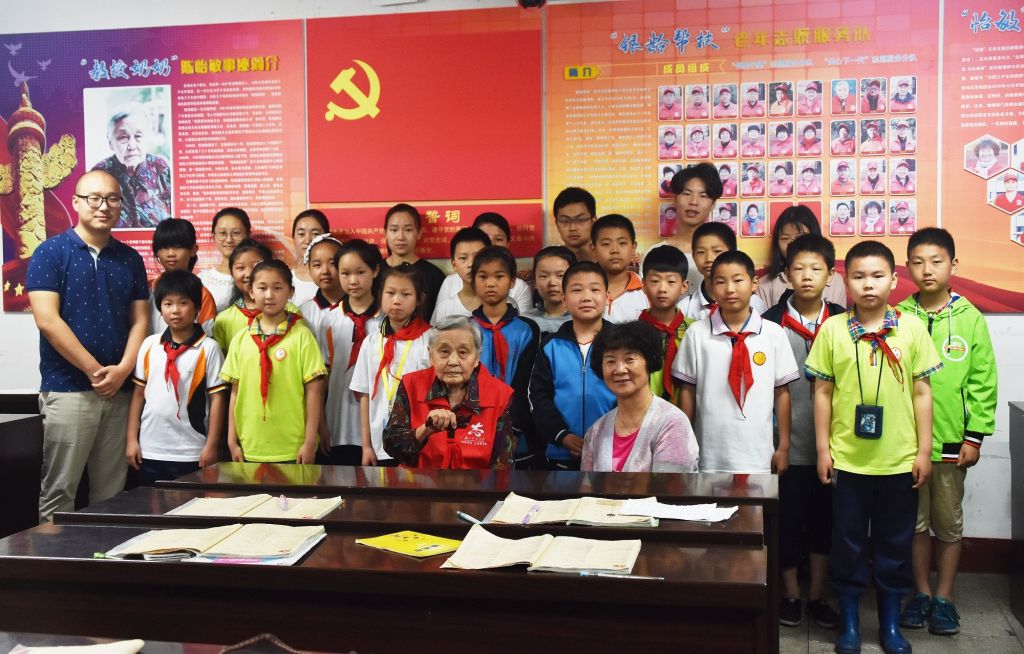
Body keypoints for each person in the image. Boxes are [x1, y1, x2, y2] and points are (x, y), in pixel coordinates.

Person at [805, 240, 941, 654]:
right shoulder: (833, 330)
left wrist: (922, 452)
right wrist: (823, 450)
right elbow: (822, 393)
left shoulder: (911, 328)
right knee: (847, 544)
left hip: (899, 462)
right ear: (845, 282)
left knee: (894, 545)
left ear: (894, 280)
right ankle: (849, 624)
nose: (868, 284)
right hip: (848, 462)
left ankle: (890, 625)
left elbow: (923, 392)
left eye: (878, 276)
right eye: (859, 276)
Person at [27, 170, 150, 521]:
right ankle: (53, 557)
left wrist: (122, 370)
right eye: (94, 198)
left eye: (112, 199)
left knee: (111, 494)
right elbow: (47, 320)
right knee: (60, 490)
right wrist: (95, 372)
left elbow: (140, 320)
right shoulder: (50, 253)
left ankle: (102, 556)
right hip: (68, 390)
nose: (103, 206)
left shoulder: (130, 259)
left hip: (119, 392)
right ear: (76, 202)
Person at [896, 228, 997, 636]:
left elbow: (983, 381)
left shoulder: (970, 318)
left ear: (953, 265)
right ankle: (921, 593)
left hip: (953, 443)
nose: (927, 270)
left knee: (948, 524)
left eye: (936, 261)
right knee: (915, 524)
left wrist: (975, 436)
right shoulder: (899, 315)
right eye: (918, 262)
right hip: (907, 445)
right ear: (907, 267)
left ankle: (944, 598)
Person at [761, 234, 846, 629]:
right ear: (786, 274)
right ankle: (791, 593)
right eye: (799, 268)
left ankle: (818, 595)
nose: (807, 276)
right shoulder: (769, 323)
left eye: (816, 269)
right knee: (789, 520)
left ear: (830, 276)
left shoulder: (845, 322)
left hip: (836, 446)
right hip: (786, 444)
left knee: (825, 520)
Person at [673, 250, 799, 474]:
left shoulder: (773, 334)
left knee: (757, 499)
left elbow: (782, 393)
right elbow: (687, 391)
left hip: (759, 454)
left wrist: (784, 447)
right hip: (709, 454)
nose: (730, 289)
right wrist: (683, 445)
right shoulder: (697, 333)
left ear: (754, 283)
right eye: (721, 282)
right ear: (712, 286)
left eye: (738, 280)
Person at [126, 270, 227, 485]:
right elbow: (138, 395)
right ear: (159, 308)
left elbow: (217, 400)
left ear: (197, 307)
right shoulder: (149, 345)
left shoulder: (208, 348)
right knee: (150, 503)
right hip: (150, 449)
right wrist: (131, 440)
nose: (175, 310)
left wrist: (211, 445)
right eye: (168, 304)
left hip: (191, 451)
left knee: (190, 503)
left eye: (183, 303)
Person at [220, 260, 326, 464]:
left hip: (293, 447)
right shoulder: (241, 339)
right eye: (262, 288)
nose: (269, 295)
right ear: (251, 292)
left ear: (290, 292)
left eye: (277, 288)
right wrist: (232, 441)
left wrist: (309, 441)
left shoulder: (302, 336)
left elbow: (314, 392)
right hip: (250, 446)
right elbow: (234, 393)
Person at [383, 316, 516, 469]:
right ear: (431, 355)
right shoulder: (411, 385)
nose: (453, 361)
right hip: (420, 482)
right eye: (444, 352)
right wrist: (424, 431)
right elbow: (391, 446)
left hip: (477, 483)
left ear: (477, 357)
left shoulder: (499, 394)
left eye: (463, 352)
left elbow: (503, 467)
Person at [529, 262, 617, 470]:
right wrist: (561, 435)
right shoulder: (551, 345)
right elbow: (538, 396)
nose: (586, 297)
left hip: (612, 453)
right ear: (564, 299)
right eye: (577, 290)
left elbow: (632, 396)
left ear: (607, 297)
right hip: (560, 454)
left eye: (594, 290)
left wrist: (610, 436)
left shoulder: (621, 344)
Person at [581, 321, 699, 473]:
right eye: (610, 361)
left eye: (629, 359)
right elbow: (587, 486)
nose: (620, 369)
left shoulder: (672, 423)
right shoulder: (596, 431)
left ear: (648, 362)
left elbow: (670, 486)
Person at [303, 237, 378, 466]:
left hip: (377, 423)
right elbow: (321, 379)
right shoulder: (330, 321)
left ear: (375, 271)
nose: (353, 281)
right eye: (345, 273)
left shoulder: (386, 319)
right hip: (338, 422)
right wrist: (322, 426)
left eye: (360, 272)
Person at [350, 264, 432, 466]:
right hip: (379, 445)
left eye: (406, 294)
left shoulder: (431, 340)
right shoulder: (371, 342)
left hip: (420, 442)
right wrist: (366, 446)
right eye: (390, 293)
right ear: (380, 295)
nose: (397, 300)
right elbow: (364, 395)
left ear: (419, 299)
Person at [470, 246, 541, 467]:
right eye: (483, 277)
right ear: (473, 281)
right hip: (472, 424)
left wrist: (516, 427)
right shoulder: (464, 329)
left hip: (518, 427)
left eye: (499, 276)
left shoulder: (527, 329)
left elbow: (526, 383)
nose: (490, 283)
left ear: (512, 281)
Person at [91, 105, 171, 228]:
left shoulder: (160, 167)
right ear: (110, 142)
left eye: (138, 136)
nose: (132, 146)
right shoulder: (98, 174)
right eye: (123, 138)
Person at [434, 213, 532, 314]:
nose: (492, 245)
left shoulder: (512, 300)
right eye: (463, 258)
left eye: (498, 239)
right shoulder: (448, 289)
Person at [757, 205, 847, 307]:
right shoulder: (764, 285)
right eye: (785, 238)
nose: (792, 244)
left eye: (800, 237)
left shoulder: (835, 281)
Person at [679, 222, 767, 320]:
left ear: (732, 253)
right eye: (701, 252)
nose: (709, 259)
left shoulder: (754, 303)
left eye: (717, 251)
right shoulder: (685, 308)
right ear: (693, 256)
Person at [637, 245, 691, 404]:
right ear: (643, 285)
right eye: (655, 281)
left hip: (687, 411)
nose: (662, 289)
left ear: (684, 286)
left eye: (671, 281)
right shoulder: (633, 333)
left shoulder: (694, 331)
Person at [149, 218, 217, 336]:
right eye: (164, 247)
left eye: (178, 247)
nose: (171, 253)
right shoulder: (147, 289)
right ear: (156, 252)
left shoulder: (202, 295)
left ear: (193, 250)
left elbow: (207, 338)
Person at [382, 203, 447, 321]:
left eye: (408, 230)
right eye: (394, 230)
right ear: (385, 233)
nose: (400, 237)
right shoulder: (374, 271)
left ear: (419, 233)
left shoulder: (434, 275)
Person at [211, 238, 274, 354]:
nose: (249, 274)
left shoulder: (289, 313)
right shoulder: (223, 319)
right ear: (232, 273)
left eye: (256, 266)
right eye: (240, 268)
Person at [430, 227, 491, 323]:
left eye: (478, 257)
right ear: (454, 265)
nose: (471, 264)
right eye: (463, 258)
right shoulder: (445, 309)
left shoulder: (504, 304)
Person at [199, 208, 251, 312]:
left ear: (248, 235)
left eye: (236, 233)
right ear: (214, 236)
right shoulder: (202, 280)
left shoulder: (259, 275)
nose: (229, 240)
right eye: (222, 233)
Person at [592, 214, 643, 320]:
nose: (615, 250)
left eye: (622, 243)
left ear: (633, 248)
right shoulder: (582, 290)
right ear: (593, 250)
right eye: (606, 244)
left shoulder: (646, 291)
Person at [523, 246, 575, 334]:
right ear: (535, 282)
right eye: (544, 276)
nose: (552, 283)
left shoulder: (585, 319)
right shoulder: (525, 321)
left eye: (560, 276)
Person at [289, 210, 329, 307]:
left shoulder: (335, 278)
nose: (307, 240)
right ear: (293, 238)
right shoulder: (286, 279)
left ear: (327, 237)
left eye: (315, 234)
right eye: (301, 234)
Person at [553, 187, 596, 262]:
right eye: (565, 221)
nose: (573, 228)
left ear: (594, 221)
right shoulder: (552, 262)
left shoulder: (607, 261)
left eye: (580, 220)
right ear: (557, 224)